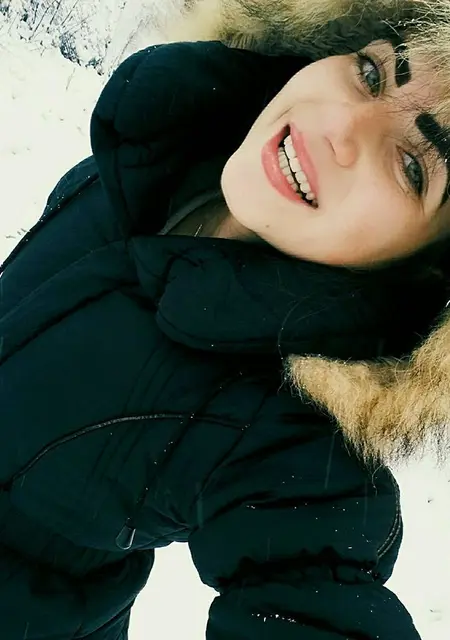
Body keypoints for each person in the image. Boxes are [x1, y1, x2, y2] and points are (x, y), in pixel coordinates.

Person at [2, 4, 450, 640]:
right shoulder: (159, 151)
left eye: (412, 167)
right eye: (373, 73)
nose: (338, 126)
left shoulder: (290, 434)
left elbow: (311, 589)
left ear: (434, 269)